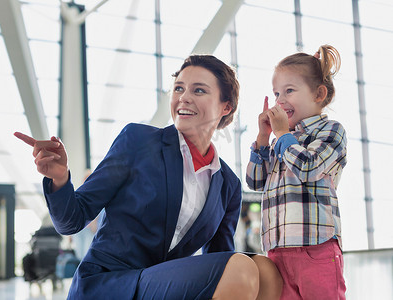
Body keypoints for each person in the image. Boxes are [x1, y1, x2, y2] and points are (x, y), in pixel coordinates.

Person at [15, 54, 282, 299]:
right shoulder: (138, 142)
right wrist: (60, 179)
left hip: (163, 285)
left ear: (226, 107)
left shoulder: (228, 184)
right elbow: (72, 220)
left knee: (265, 271)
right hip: (110, 284)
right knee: (240, 269)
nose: (184, 97)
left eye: (198, 90)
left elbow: (217, 258)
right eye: (179, 88)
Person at [246, 45, 347, 299]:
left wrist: (282, 135)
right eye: (277, 93)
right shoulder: (278, 141)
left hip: (317, 247)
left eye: (289, 91)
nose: (280, 100)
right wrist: (263, 137)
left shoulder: (330, 131)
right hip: (278, 253)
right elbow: (254, 180)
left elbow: (309, 167)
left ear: (319, 94)